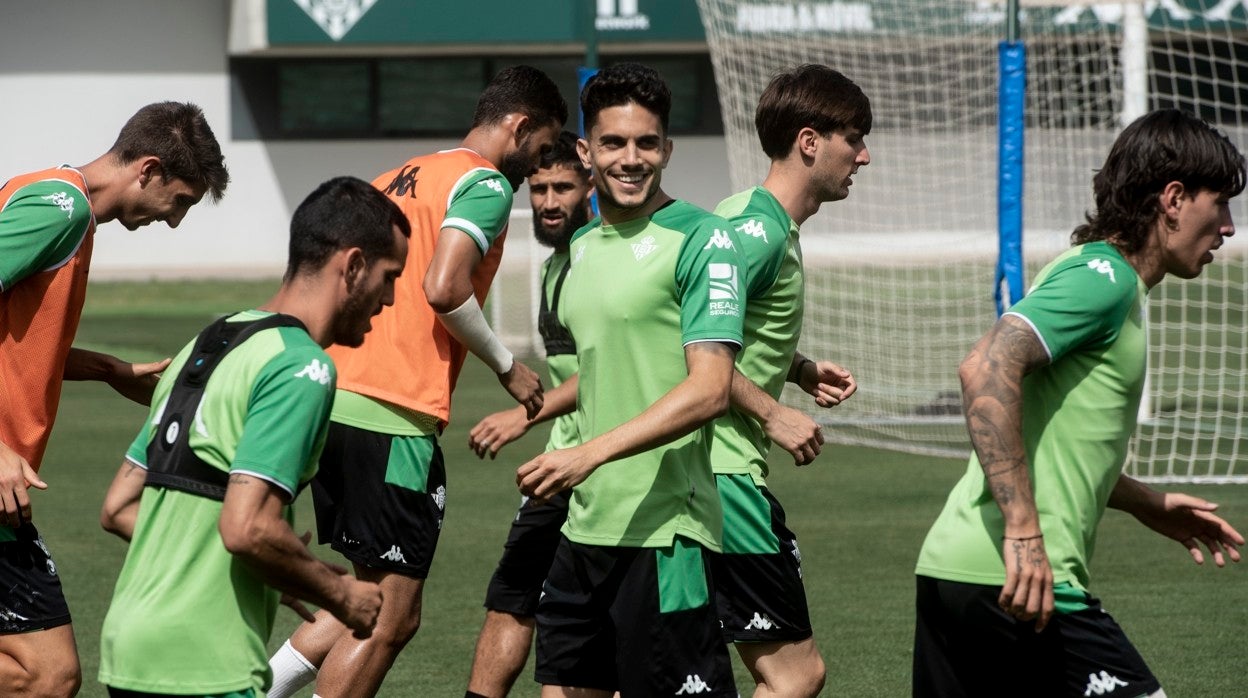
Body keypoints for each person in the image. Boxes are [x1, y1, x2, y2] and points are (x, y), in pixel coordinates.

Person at [912, 109, 1245, 697]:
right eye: (1219, 203)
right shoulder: (1103, 279)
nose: (1228, 226)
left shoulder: (1091, 271)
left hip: (956, 568)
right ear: (1172, 199)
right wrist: (1023, 530)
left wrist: (1144, 502)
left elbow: (1053, 438)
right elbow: (985, 368)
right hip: (1014, 579)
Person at [266, 65, 567, 698]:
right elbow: (445, 287)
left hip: (332, 395)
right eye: (541, 149)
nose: (538, 168)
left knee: (361, 594)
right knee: (390, 616)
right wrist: (507, 366)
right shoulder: (483, 182)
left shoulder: (398, 176)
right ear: (519, 126)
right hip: (392, 413)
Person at [96, 176, 405, 697]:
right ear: (353, 266)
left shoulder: (212, 340)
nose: (391, 298)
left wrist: (280, 566)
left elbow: (119, 506)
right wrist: (339, 593)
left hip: (132, 647)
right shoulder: (300, 366)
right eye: (389, 276)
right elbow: (247, 529)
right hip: (205, 664)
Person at [515, 62, 742, 698]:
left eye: (647, 143)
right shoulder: (580, 250)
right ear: (586, 152)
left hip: (667, 533)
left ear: (667, 149)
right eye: (614, 143)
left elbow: (711, 389)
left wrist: (588, 453)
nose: (632, 158)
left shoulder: (704, 239)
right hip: (583, 527)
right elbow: (605, 372)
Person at [0, 101, 228, 697]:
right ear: (148, 169)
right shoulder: (61, 210)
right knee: (47, 676)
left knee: (46, 676)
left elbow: (17, 341)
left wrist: (107, 370)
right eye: (180, 201)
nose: (174, 221)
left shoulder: (55, 202)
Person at [707, 64, 868, 697]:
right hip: (723, 476)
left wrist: (796, 369)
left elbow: (721, 322)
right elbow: (681, 339)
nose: (863, 156)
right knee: (796, 674)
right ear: (809, 142)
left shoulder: (744, 214)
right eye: (853, 139)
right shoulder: (762, 232)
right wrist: (772, 413)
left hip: (705, 472)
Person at [463, 130, 592, 698]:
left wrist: (524, 416)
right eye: (539, 189)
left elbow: (610, 371)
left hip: (608, 465)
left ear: (590, 187)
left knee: (589, 625)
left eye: (563, 187)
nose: (548, 202)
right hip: (557, 464)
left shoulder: (601, 261)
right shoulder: (553, 266)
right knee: (510, 599)